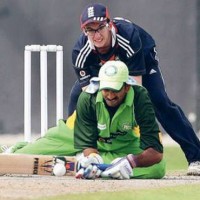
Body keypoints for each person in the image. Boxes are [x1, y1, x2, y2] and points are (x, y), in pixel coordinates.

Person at [68, 3, 200, 175]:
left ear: (109, 24)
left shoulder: (128, 36)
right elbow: (88, 95)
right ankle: (78, 150)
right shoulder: (80, 51)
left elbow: (136, 88)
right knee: (77, 97)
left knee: (159, 101)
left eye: (100, 28)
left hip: (140, 61)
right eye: (90, 30)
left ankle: (196, 157)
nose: (96, 35)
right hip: (104, 70)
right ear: (84, 31)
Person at [9, 60, 165, 179]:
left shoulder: (140, 97)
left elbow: (156, 152)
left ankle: (96, 166)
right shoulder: (87, 97)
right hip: (72, 134)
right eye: (106, 89)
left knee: (158, 168)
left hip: (122, 143)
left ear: (127, 87)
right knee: (21, 156)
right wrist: (92, 158)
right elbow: (88, 144)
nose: (110, 95)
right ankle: (18, 148)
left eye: (115, 90)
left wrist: (132, 162)